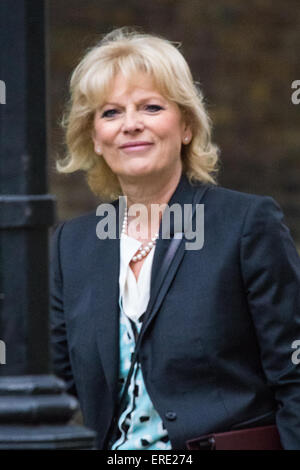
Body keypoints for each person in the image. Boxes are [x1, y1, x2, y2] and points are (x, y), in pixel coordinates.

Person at [50, 27, 300, 450]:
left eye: (150, 107)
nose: (130, 125)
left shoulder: (244, 223)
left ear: (185, 126)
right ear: (94, 137)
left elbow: (293, 377)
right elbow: (53, 388)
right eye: (110, 113)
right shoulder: (72, 245)